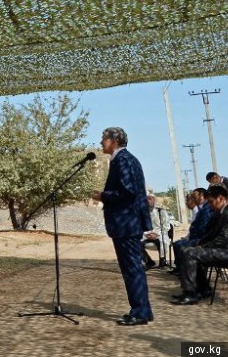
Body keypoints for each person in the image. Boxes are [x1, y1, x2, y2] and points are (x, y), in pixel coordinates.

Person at [90, 127, 153, 325]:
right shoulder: (126, 159)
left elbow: (128, 192)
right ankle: (143, 309)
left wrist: (103, 196)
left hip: (126, 224)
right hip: (128, 223)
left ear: (114, 140)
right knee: (134, 268)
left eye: (104, 139)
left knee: (132, 269)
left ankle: (140, 312)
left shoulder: (123, 160)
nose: (101, 142)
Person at [172, 185, 228, 305]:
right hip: (227, 249)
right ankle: (203, 289)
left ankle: (191, 293)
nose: (209, 205)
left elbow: (223, 239)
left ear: (220, 198)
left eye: (211, 202)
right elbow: (211, 234)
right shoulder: (222, 212)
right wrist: (199, 243)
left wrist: (203, 247)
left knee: (189, 253)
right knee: (189, 250)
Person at [142, 194, 171, 269]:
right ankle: (148, 261)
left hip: (160, 234)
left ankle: (162, 261)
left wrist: (156, 234)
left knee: (163, 241)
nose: (148, 201)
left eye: (151, 199)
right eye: (147, 199)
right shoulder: (143, 212)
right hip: (147, 234)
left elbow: (166, 225)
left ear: (154, 200)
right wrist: (147, 234)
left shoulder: (160, 211)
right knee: (135, 241)